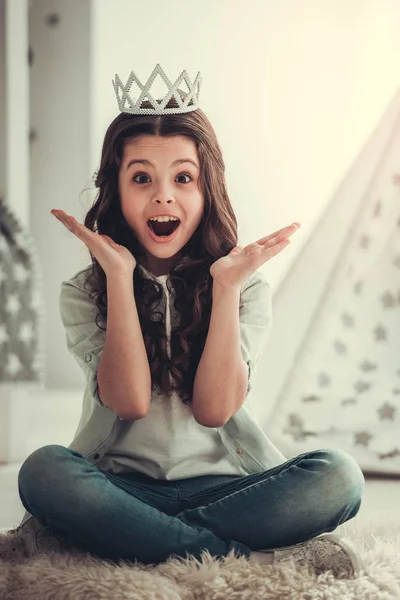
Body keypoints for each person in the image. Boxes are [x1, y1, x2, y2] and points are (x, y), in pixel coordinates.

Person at [17, 64, 365, 577]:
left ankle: (140, 537)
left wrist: (225, 289)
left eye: (183, 178)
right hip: (119, 484)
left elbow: (215, 410)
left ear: (208, 191)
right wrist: (119, 280)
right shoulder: (85, 292)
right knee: (43, 472)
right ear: (115, 190)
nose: (163, 196)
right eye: (142, 178)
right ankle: (238, 555)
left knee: (339, 476)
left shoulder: (244, 288)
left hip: (227, 487)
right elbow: (129, 401)